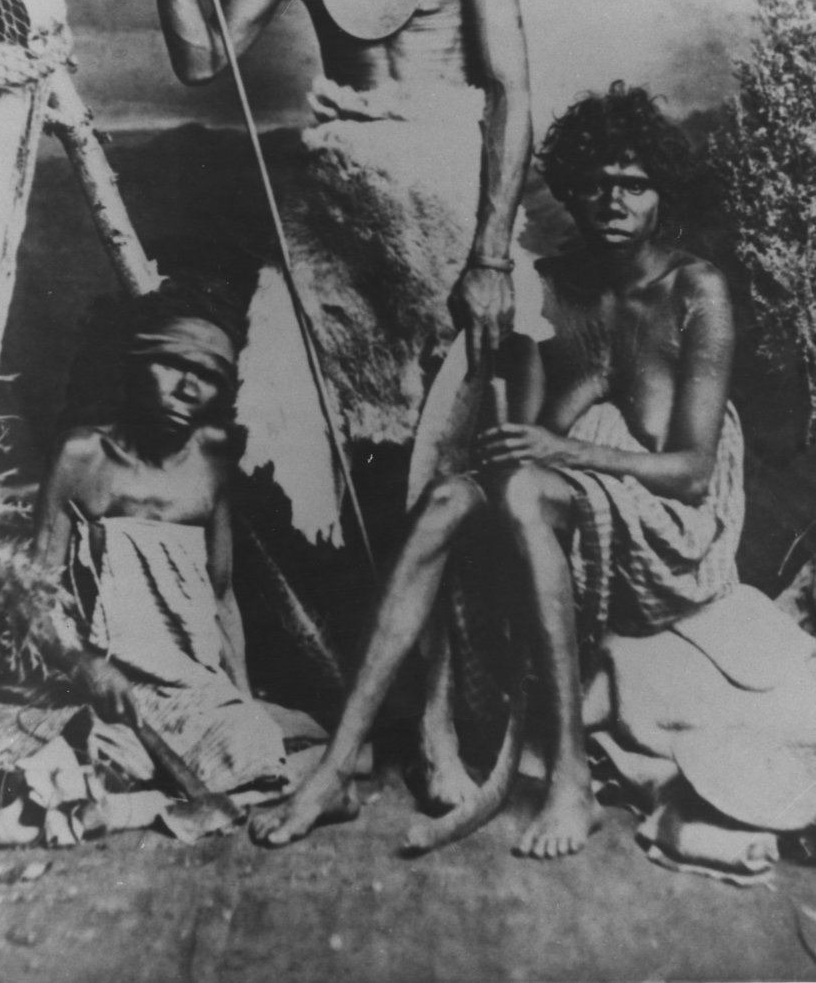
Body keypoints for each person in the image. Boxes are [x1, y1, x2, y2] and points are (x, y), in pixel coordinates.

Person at [249, 83, 742, 858]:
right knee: (447, 498)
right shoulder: (547, 284)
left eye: (634, 183)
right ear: (571, 188)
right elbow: (528, 437)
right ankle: (339, 762)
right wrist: (527, 418)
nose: (613, 200)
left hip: (665, 519)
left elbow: (687, 472)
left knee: (516, 490)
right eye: (595, 183)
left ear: (660, 193)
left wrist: (564, 453)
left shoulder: (693, 290)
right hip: (559, 492)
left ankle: (570, 778)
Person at [146, 0, 546, 537]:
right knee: (331, 448)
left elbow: (511, 93)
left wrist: (491, 259)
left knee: (454, 456)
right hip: (332, 231)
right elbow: (198, 58)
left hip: (447, 231)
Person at [33, 276, 287, 794]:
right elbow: (32, 598)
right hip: (101, 685)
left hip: (188, 685)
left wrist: (240, 696)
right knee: (86, 762)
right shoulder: (80, 457)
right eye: (173, 364)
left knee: (255, 743)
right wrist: (82, 665)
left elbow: (220, 596)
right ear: (136, 360)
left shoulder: (214, 461)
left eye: (207, 375)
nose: (188, 388)